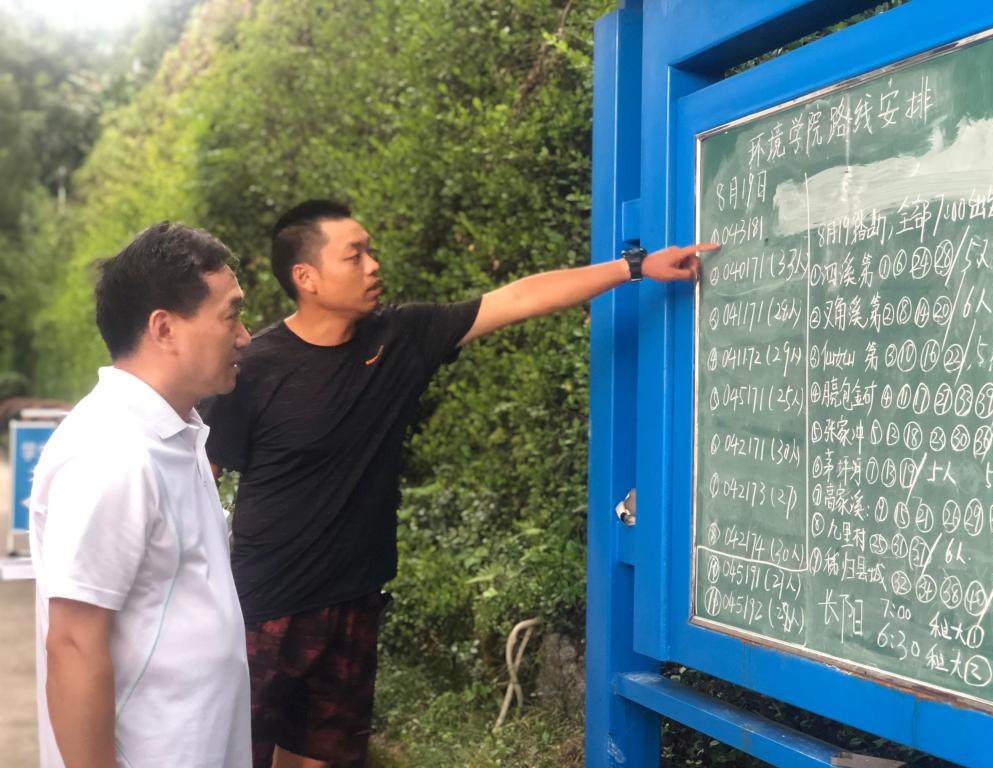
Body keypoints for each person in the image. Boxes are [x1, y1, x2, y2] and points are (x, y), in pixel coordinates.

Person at [201, 199, 717, 768]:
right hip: (262, 607)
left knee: (319, 760)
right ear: (307, 277)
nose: (373, 265)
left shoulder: (400, 336)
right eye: (355, 255)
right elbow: (198, 480)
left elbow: (516, 299)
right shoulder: (256, 368)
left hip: (353, 599)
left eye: (370, 251)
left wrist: (634, 267)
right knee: (231, 755)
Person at [30, 222, 254, 768]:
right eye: (231, 315)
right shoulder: (110, 451)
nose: (245, 336)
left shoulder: (175, 434)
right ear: (165, 328)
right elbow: (73, 644)